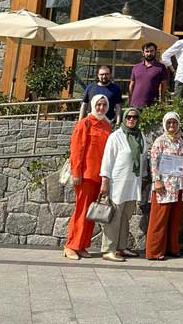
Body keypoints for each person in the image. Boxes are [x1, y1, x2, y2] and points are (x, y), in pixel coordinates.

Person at [64, 94, 112, 260]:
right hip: (85, 176)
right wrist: (76, 173)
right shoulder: (85, 123)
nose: (101, 108)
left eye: (104, 105)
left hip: (99, 177)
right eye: (98, 104)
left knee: (91, 213)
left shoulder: (106, 126)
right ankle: (71, 245)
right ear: (93, 105)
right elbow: (77, 150)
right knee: (81, 211)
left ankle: (82, 245)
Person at [99, 107, 146, 262]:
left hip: (133, 184)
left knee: (126, 217)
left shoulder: (140, 136)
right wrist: (105, 180)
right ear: (124, 118)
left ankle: (121, 247)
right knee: (115, 216)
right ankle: (108, 249)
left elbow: (143, 159)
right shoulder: (116, 136)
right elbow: (107, 159)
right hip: (118, 182)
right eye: (128, 117)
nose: (131, 119)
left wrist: (143, 178)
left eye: (135, 117)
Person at [146, 111, 183, 260]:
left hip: (178, 185)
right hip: (164, 186)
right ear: (165, 124)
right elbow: (154, 162)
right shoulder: (160, 141)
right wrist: (157, 180)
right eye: (169, 122)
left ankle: (172, 248)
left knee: (174, 219)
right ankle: (154, 251)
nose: (172, 125)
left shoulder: (180, 140)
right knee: (159, 219)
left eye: (174, 122)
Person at [129, 43, 169, 108]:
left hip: (152, 105)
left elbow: (164, 86)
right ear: (143, 53)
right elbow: (131, 85)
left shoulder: (161, 67)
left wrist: (162, 102)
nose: (149, 53)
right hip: (134, 104)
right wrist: (130, 100)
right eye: (147, 51)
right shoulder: (136, 67)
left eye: (152, 51)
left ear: (155, 52)